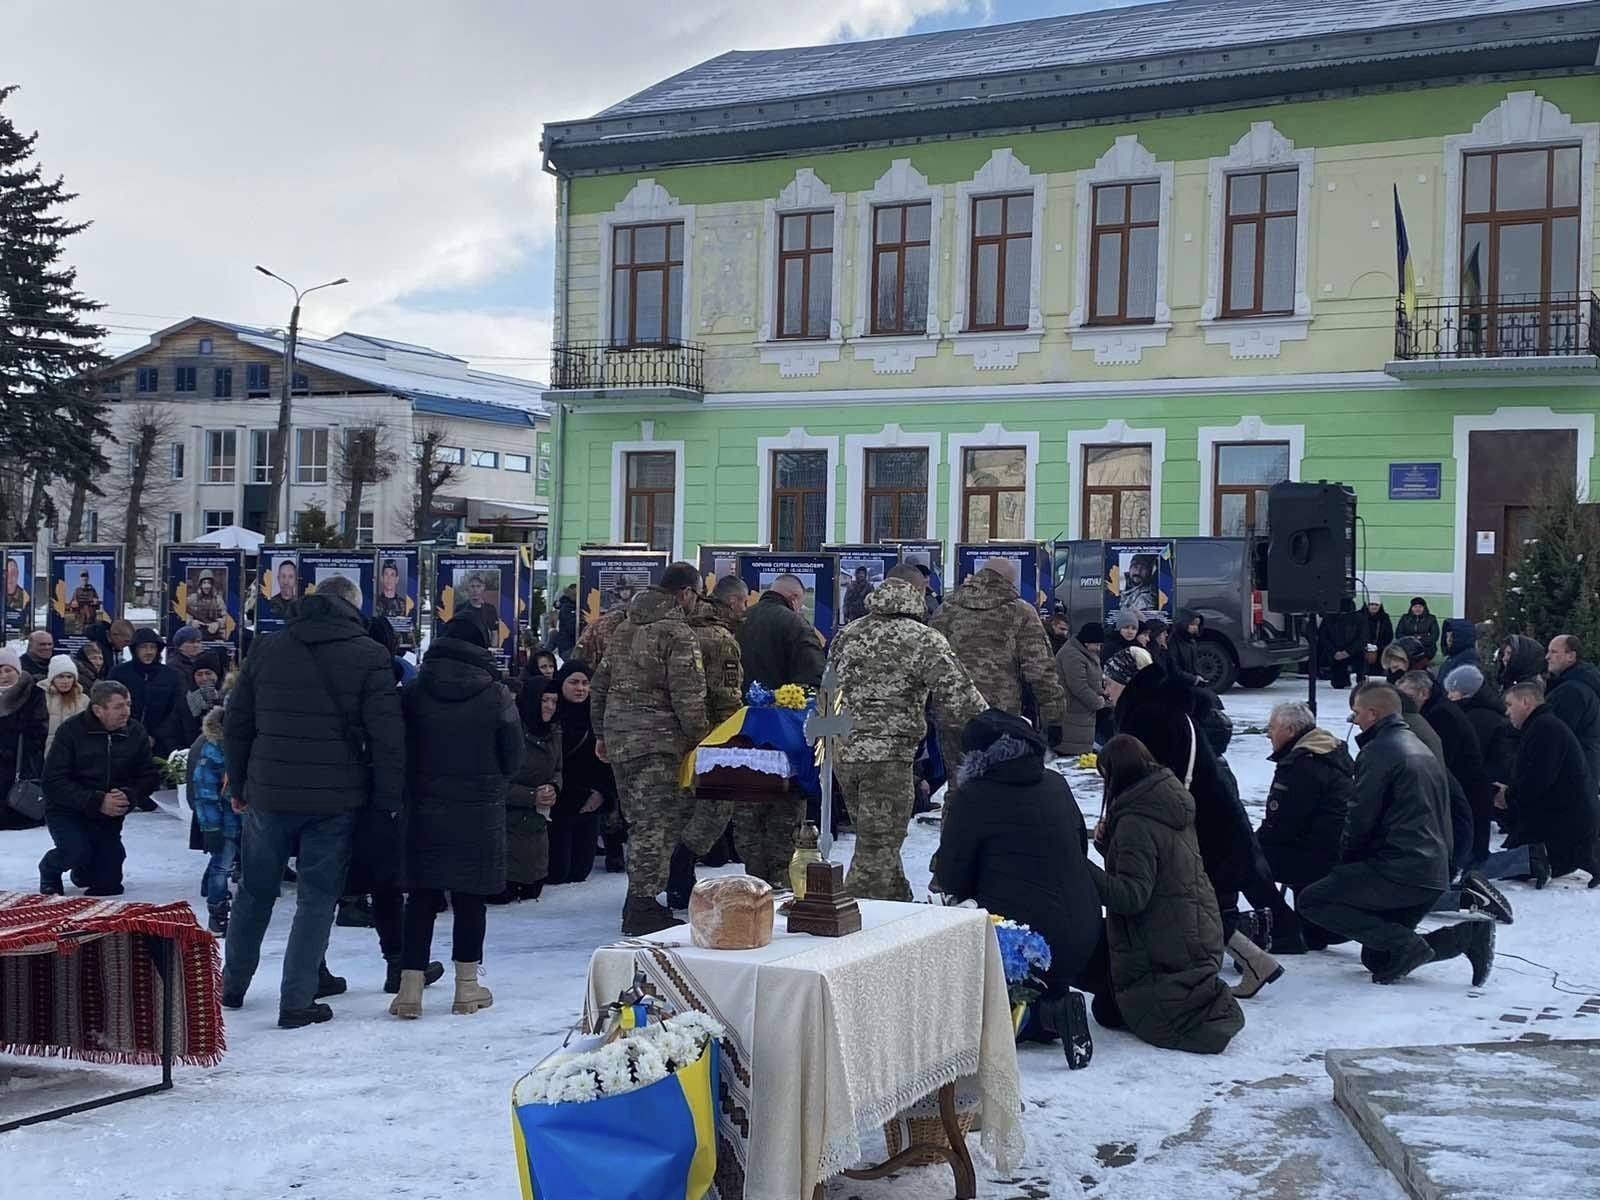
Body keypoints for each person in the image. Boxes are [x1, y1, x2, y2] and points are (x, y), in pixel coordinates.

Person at [222, 574, 405, 1029]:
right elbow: (387, 736)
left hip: (267, 790)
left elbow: (238, 722)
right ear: (353, 606)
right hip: (335, 797)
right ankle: (298, 998)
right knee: (317, 898)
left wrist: (240, 784)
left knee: (254, 891)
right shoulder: (369, 654)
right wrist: (387, 798)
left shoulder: (267, 647)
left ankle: (232, 984)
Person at [1105, 648, 1299, 992]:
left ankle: (1250, 956)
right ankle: (1255, 954)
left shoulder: (1147, 715)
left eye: (1109, 680)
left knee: (1182, 902)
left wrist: (1125, 820)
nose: (1105, 688)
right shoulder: (1163, 705)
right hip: (1205, 816)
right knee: (1197, 902)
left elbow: (1147, 779)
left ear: (1126, 681)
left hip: (1188, 823)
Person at [936, 709, 1113, 1055]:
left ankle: (1042, 1014)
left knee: (973, 1012)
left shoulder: (973, 798)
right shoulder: (1056, 784)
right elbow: (1079, 847)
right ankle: (1048, 1000)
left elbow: (951, 877)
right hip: (1085, 930)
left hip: (1027, 943)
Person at [1297, 683, 1494, 987]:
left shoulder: (1379, 751)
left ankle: (1408, 945)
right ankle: (1465, 936)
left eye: (1357, 713)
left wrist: (1343, 866)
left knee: (1312, 900)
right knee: (1377, 958)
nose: (1354, 720)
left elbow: (1360, 818)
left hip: (1401, 869)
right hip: (1431, 870)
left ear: (1373, 714)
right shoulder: (1419, 745)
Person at [827, 568, 986, 902]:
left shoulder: (848, 633)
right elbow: (958, 696)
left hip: (845, 753)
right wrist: (997, 729)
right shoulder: (922, 637)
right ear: (916, 592)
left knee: (878, 843)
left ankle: (900, 906)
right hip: (889, 758)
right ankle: (857, 927)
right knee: (876, 852)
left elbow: (828, 690)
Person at [391, 618, 523, 1019]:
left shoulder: (413, 692)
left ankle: (409, 990)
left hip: (424, 805)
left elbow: (399, 748)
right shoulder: (497, 695)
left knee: (421, 898)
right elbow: (513, 757)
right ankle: (466, 988)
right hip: (478, 808)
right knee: (470, 898)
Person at [1088, 734, 1244, 1055]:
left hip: (1163, 941)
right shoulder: (1167, 801)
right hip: (1196, 928)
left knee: (1105, 1010)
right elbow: (1155, 865)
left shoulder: (1135, 820)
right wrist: (1108, 846)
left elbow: (1131, 896)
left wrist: (1082, 869)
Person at [591, 562, 710, 934]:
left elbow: (599, 685)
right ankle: (642, 907)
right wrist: (701, 738)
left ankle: (637, 899)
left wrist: (601, 734)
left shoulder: (625, 628)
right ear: (686, 592)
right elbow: (688, 695)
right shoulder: (677, 633)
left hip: (621, 739)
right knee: (655, 826)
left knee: (639, 822)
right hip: (659, 742)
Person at [931, 558, 1067, 779]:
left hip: (952, 711)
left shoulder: (945, 610)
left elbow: (931, 661)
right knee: (1001, 781)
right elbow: (1040, 670)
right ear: (1008, 581)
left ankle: (957, 814)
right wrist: (1054, 716)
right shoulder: (1020, 611)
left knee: (957, 783)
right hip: (1000, 715)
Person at [38, 680, 160, 896]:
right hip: (68, 809)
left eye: (128, 704)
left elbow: (148, 776)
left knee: (108, 885)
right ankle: (50, 870)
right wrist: (96, 800)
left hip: (110, 812)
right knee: (75, 851)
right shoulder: (71, 731)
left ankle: (84, 870)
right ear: (98, 710)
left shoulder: (135, 732)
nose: (126, 712)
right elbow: (52, 781)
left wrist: (129, 796)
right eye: (118, 706)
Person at [674, 576, 753, 900]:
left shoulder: (681, 627)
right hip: (708, 734)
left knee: (681, 807)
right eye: (744, 602)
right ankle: (681, 868)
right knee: (718, 804)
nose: (745, 609)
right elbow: (726, 696)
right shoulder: (720, 639)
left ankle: (676, 876)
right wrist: (733, 739)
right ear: (732, 601)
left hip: (673, 733)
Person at [1257, 702, 1356, 921]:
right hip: (1332, 848)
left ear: (1290, 731)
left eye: (1272, 727)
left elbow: (1283, 824)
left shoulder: (1301, 766)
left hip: (1313, 854)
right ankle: (1306, 924)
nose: (1268, 734)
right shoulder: (1329, 752)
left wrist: (1252, 843)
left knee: (1242, 861)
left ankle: (1280, 922)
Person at [1497, 680, 1599, 888]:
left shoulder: (1544, 728)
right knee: (1509, 864)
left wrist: (1507, 796)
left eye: (1509, 704)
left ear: (1526, 702)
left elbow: (1537, 781)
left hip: (1563, 827)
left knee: (1499, 866)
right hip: (1566, 823)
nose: (1507, 712)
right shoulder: (1543, 725)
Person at [1397, 670, 1492, 869]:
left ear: (1424, 693)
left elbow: (1442, 758)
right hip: (1464, 790)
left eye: (1408, 696)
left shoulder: (1440, 714)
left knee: (1470, 859)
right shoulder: (1438, 710)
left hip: (1466, 791)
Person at [497, 676, 562, 905]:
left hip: (536, 827)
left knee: (532, 890)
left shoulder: (553, 732)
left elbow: (558, 769)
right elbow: (496, 782)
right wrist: (531, 796)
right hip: (506, 827)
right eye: (545, 700)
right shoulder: (510, 732)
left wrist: (553, 787)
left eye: (554, 702)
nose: (550, 707)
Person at [549, 660, 615, 884]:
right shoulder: (551, 716)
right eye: (574, 682)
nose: (580, 689)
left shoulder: (598, 718)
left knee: (579, 872)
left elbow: (608, 762)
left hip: (590, 801)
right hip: (559, 803)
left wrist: (601, 793)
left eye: (586, 683)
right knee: (558, 872)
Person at [190, 706, 240, 934]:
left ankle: (241, 911)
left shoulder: (253, 744)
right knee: (221, 867)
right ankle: (217, 913)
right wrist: (210, 827)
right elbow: (205, 794)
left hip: (251, 821)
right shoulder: (213, 752)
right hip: (224, 822)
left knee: (236, 864)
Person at [738, 573, 826, 691]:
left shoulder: (743, 616)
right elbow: (813, 671)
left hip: (740, 704)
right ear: (794, 597)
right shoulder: (796, 623)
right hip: (780, 704)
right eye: (801, 602)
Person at [111, 628, 186, 759]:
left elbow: (176, 708)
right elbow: (111, 704)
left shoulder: (170, 675)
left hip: (162, 742)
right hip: (123, 736)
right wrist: (133, 732)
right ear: (135, 649)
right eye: (144, 647)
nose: (149, 652)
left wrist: (156, 735)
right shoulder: (119, 673)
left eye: (152, 647)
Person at [1446, 666, 1517, 794]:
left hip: (1482, 788)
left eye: (1453, 690)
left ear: (1466, 691)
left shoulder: (1476, 718)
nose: (1449, 695)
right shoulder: (1486, 712)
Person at [0, 648, 49, 830]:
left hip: (21, 762)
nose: (4, 675)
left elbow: (39, 729)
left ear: (17, 671)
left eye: (8, 670)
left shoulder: (32, 694)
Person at [1544, 634, 1600, 791]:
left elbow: (1556, 734)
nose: (1547, 657)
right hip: (1582, 772)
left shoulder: (1572, 691)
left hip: (1571, 775)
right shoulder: (1578, 684)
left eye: (1554, 652)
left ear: (1571, 656)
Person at [1055, 621, 1107, 755]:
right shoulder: (1072, 655)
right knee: (1072, 757)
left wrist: (1103, 692)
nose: (1099, 648)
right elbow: (1078, 686)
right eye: (1097, 644)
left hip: (1082, 713)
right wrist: (1098, 702)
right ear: (1087, 642)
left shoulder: (1085, 652)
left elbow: (1092, 680)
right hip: (1073, 713)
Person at [40, 654, 89, 755]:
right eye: (60, 676)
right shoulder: (40, 697)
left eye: (69, 677)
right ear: (52, 678)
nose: (65, 681)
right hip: (43, 754)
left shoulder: (84, 700)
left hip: (75, 753)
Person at [1319, 600, 1366, 690]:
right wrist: (1334, 652)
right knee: (1338, 684)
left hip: (1354, 652)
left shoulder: (1359, 618)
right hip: (1336, 653)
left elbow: (1362, 638)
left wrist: (1348, 652)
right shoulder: (1329, 618)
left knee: (1361, 658)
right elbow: (1323, 637)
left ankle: (1360, 678)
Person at [458, 572, 502, 649]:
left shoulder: (490, 609)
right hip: (465, 651)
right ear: (468, 588)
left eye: (478, 586)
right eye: (472, 586)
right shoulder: (460, 608)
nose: (475, 590)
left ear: (483, 587)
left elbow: (494, 633)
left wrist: (492, 651)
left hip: (483, 652)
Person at [1166, 609, 1208, 689]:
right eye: (1192, 624)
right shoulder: (1172, 642)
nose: (1195, 628)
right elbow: (1174, 669)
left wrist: (1199, 676)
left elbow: (1195, 665)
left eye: (1197, 625)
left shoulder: (1192, 641)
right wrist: (1193, 679)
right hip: (1178, 686)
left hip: (1190, 683)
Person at [1395, 598, 1440, 662]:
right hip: (1408, 648)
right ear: (1411, 608)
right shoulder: (1405, 618)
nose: (1417, 609)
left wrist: (1420, 639)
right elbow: (1398, 634)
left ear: (1424, 608)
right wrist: (1412, 639)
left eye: (1420, 607)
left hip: (1425, 648)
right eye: (1415, 607)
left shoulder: (1431, 618)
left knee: (1420, 663)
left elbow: (1434, 636)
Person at [1361, 597, 1394, 679]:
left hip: (1379, 652)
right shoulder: (1360, 617)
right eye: (1371, 604)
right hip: (1361, 651)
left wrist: (1377, 646)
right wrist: (1365, 645)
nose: (1374, 607)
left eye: (1376, 605)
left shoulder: (1384, 618)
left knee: (1376, 677)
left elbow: (1388, 636)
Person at [187, 570, 227, 637]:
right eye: (204, 583)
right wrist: (191, 622)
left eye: (209, 583)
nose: (207, 586)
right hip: (195, 634)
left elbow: (226, 617)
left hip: (214, 634)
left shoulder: (218, 599)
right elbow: (184, 614)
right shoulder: (193, 598)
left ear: (212, 585)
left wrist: (218, 624)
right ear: (200, 585)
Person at [168, 625, 207, 690]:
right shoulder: (174, 666)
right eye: (191, 642)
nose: (196, 645)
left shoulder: (201, 661)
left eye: (198, 642)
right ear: (180, 646)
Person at [552, 583, 577, 659]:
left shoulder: (567, 606)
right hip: (569, 646)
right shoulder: (568, 607)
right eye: (574, 594)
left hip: (567, 645)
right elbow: (572, 627)